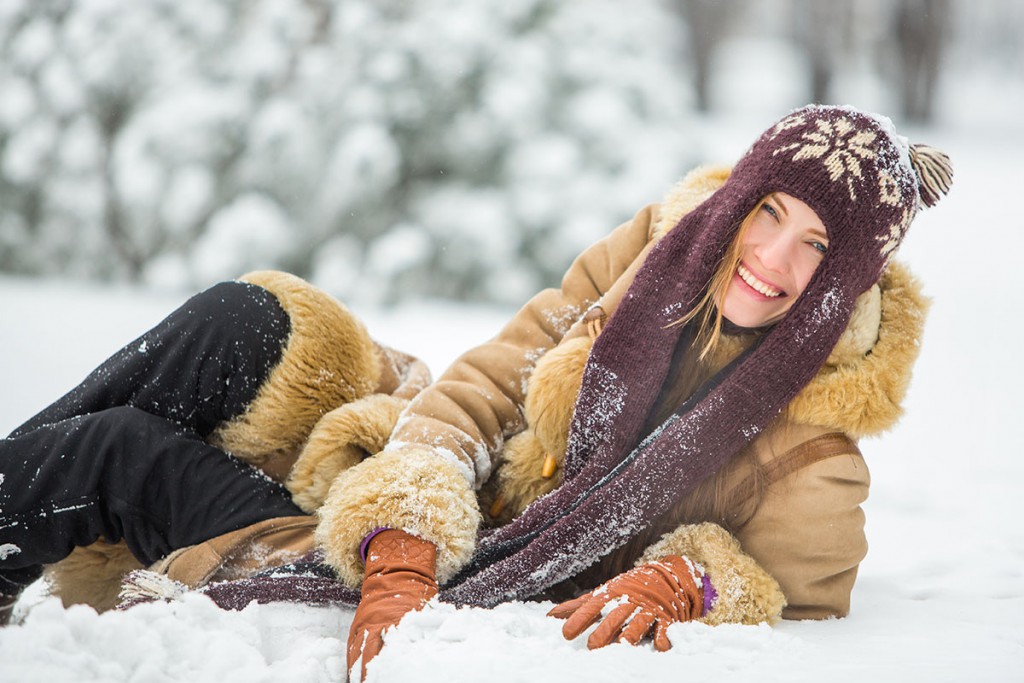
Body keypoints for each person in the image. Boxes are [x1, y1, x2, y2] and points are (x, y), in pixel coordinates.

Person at [0, 105, 951, 677]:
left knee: (113, 451)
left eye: (817, 246)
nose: (773, 260)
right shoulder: (658, 257)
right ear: (738, 198)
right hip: (409, 482)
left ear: (846, 280)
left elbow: (802, 594)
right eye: (769, 212)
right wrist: (407, 519)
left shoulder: (817, 448)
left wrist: (701, 577)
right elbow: (499, 373)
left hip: (472, 566)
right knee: (246, 318)